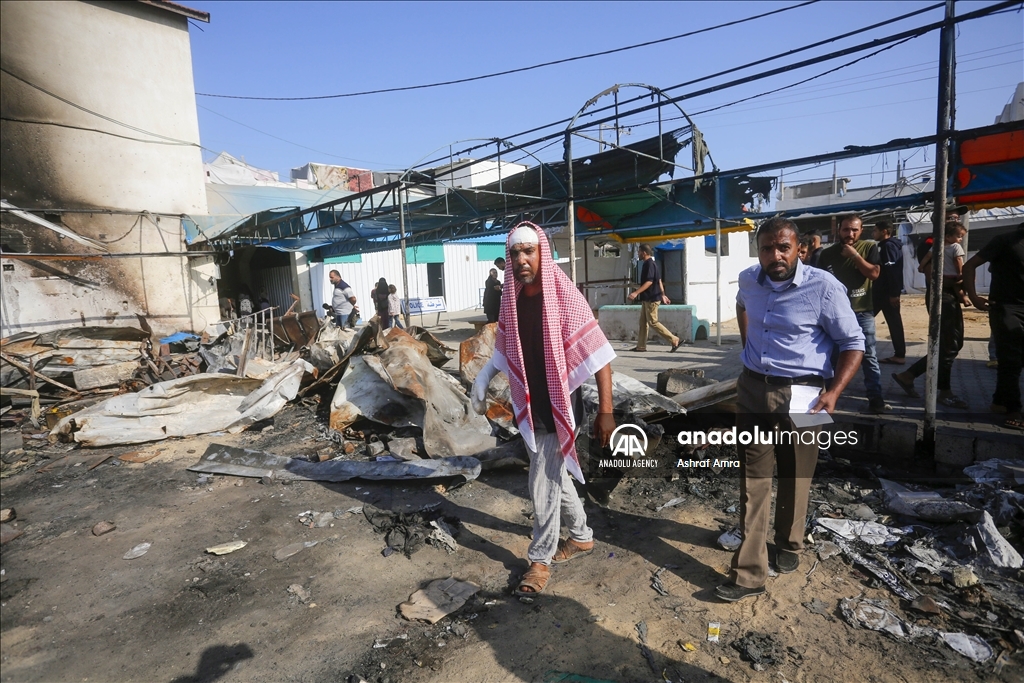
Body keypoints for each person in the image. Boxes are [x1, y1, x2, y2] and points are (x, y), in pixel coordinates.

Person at [717, 217, 865, 602]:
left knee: (798, 475)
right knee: (753, 480)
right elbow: (741, 303)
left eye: (783, 247)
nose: (775, 255)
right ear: (759, 250)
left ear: (801, 248)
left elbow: (853, 342)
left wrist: (834, 393)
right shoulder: (749, 279)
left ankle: (790, 544)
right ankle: (749, 572)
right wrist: (749, 346)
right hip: (752, 390)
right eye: (767, 247)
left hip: (807, 395)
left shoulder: (824, 287)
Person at [472, 222, 616, 596]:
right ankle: (582, 536)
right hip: (530, 401)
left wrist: (606, 410)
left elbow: (599, 355)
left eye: (529, 251)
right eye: (515, 253)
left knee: (541, 476)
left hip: (560, 405)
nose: (522, 259)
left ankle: (540, 558)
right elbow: (504, 349)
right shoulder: (513, 298)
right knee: (554, 474)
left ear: (542, 253)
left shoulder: (564, 294)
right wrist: (482, 378)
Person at [893, 221, 971, 408]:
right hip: (941, 297)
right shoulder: (930, 244)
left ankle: (909, 376)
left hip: (948, 295)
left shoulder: (947, 245)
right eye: (950, 216)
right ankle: (944, 391)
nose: (955, 220)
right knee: (948, 345)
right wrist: (962, 283)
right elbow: (933, 277)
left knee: (952, 344)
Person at [817, 214, 886, 413]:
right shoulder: (827, 254)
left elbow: (873, 273)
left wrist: (855, 256)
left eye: (854, 230)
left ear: (861, 231)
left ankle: (875, 397)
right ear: (838, 230)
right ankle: (830, 394)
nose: (850, 233)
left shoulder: (869, 247)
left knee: (868, 355)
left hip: (862, 312)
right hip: (834, 314)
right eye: (846, 229)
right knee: (833, 356)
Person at [963, 223, 1024, 430]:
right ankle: (1013, 409)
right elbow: (969, 266)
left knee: (1014, 358)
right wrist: (973, 296)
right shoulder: (1004, 241)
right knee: (1011, 359)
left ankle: (999, 401)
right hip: (1006, 307)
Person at [627, 243, 681, 352]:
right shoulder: (652, 263)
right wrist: (663, 294)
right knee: (643, 323)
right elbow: (659, 280)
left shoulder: (649, 264)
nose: (638, 254)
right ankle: (641, 346)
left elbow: (650, 281)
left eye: (639, 251)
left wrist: (636, 293)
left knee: (653, 322)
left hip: (652, 298)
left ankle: (674, 339)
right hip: (647, 298)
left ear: (644, 253)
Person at [872, 221, 906, 364]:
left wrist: (894, 293)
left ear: (884, 231)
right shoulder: (888, 246)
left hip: (885, 293)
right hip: (885, 292)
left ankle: (899, 355)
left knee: (862, 318)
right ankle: (899, 354)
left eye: (875, 230)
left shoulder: (888, 247)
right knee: (894, 322)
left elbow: (893, 271)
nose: (873, 233)